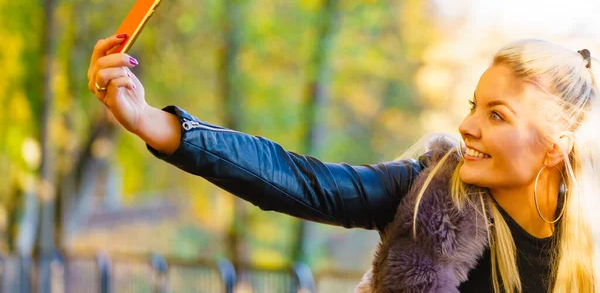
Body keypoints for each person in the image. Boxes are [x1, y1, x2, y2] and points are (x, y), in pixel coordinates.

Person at [88, 35, 598, 293]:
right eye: (473, 107)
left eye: (497, 115)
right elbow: (300, 181)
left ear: (555, 146)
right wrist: (155, 123)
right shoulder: (425, 197)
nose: (467, 126)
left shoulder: (588, 254)